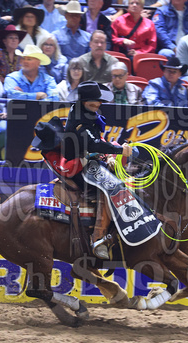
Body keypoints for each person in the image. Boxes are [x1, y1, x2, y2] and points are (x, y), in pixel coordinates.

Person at [60, 81, 133, 258]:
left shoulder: (86, 112)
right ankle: (98, 238)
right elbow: (93, 143)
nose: (98, 104)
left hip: (88, 158)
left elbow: (95, 142)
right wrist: (118, 150)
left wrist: (107, 154)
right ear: (84, 100)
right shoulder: (79, 120)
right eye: (94, 101)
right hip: (78, 165)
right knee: (110, 187)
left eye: (98, 100)